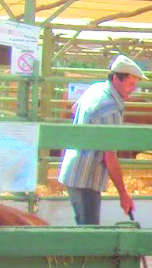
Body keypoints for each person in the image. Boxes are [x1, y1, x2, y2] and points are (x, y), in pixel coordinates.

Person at [59, 55, 143, 225]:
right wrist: (123, 196)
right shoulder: (109, 108)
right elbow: (109, 156)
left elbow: (75, 109)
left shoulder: (95, 89)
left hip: (73, 169)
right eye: (130, 84)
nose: (133, 89)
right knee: (90, 231)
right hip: (87, 175)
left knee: (84, 224)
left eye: (135, 84)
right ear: (115, 79)